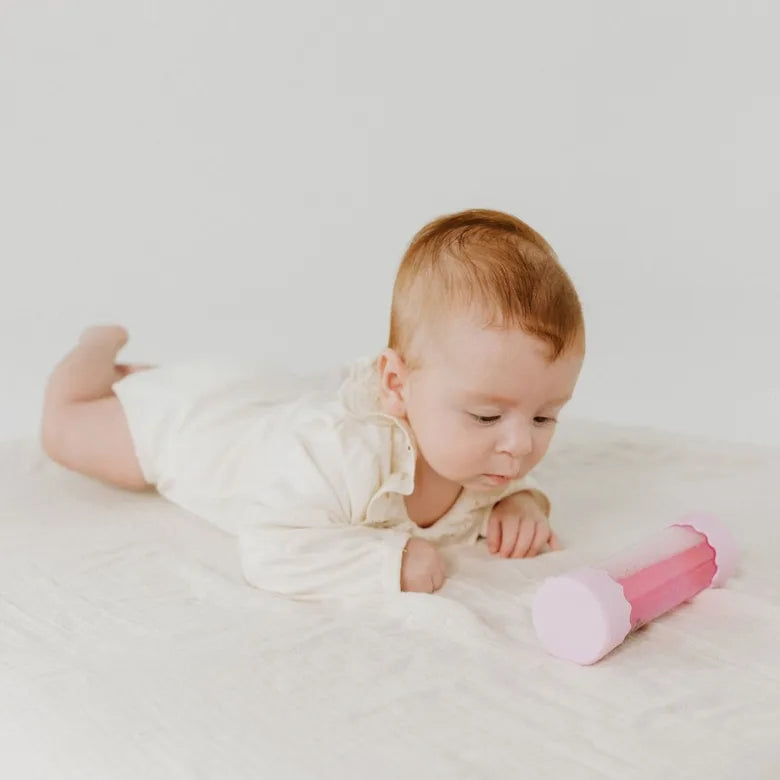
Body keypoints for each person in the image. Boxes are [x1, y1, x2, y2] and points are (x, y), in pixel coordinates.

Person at [41, 209, 585, 599]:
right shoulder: (347, 453)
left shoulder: (481, 449)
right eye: (487, 416)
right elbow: (270, 546)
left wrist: (522, 503)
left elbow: (502, 474)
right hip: (201, 428)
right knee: (65, 429)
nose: (520, 445)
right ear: (397, 386)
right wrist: (387, 561)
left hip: (278, 399)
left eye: (545, 416)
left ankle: (151, 378)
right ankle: (98, 348)